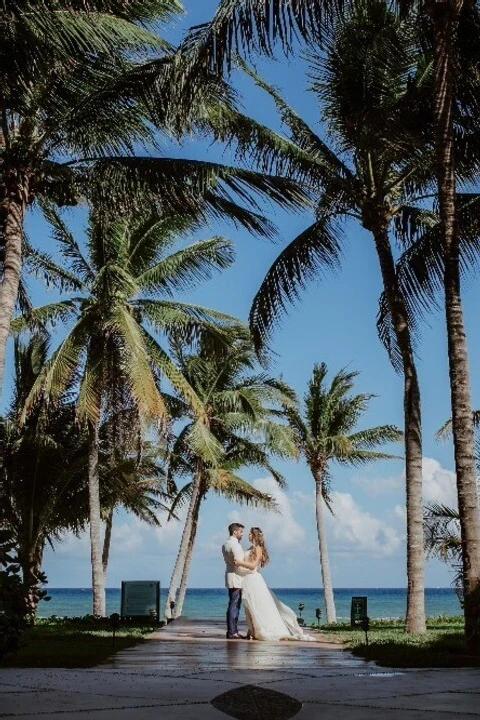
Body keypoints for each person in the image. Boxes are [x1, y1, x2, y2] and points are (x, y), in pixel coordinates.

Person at [233, 527, 316, 641]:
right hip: (247, 580)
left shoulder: (258, 549)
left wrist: (240, 563)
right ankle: (251, 631)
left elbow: (253, 566)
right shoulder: (250, 548)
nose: (248, 535)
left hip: (254, 579)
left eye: (249, 534)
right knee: (249, 606)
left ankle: (260, 630)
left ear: (254, 535)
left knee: (257, 606)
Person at [222, 522, 249, 639]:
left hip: (230, 575)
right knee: (235, 605)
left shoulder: (225, 544)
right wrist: (251, 571)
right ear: (235, 532)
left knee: (233, 603)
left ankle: (232, 630)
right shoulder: (235, 545)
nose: (242, 534)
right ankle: (233, 632)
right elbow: (239, 563)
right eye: (241, 532)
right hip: (236, 577)